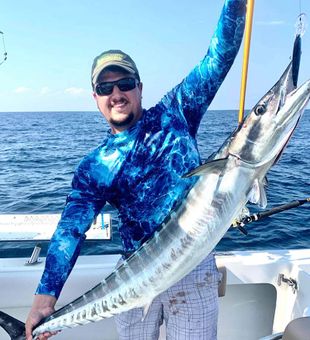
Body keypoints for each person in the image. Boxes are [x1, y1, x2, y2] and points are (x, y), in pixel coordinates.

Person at [26, 0, 246, 339]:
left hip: (192, 266)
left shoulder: (177, 112)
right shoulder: (95, 167)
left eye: (125, 83)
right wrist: (46, 295)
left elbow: (220, 55)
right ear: (95, 98)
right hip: (133, 274)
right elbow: (70, 231)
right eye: (105, 87)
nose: (116, 93)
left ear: (140, 88)